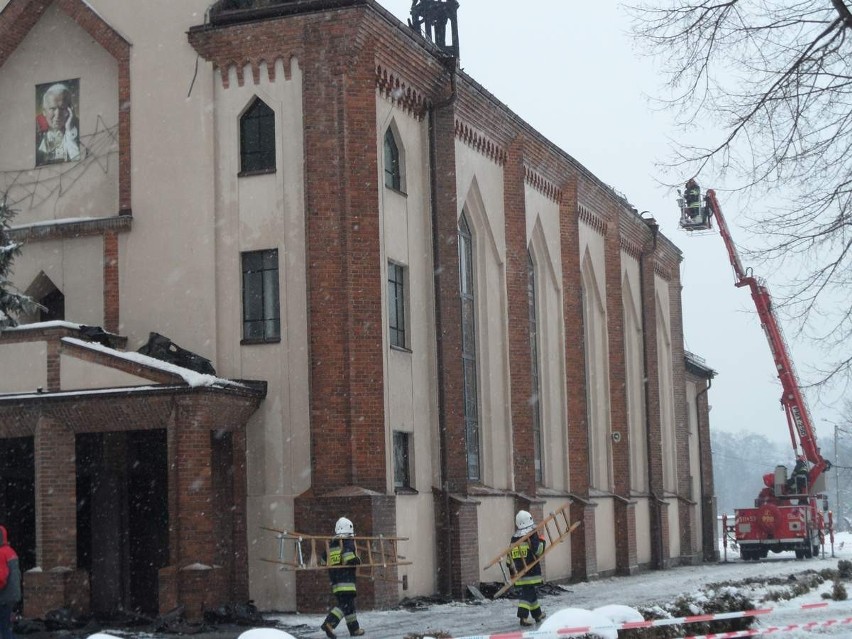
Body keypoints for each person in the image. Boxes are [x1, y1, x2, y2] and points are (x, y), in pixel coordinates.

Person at [320, 517, 364, 638]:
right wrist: (357, 559)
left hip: (336, 582)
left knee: (348, 605)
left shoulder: (331, 544)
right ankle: (329, 623)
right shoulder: (347, 542)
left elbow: (323, 561)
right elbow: (348, 557)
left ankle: (354, 629)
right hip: (347, 580)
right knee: (345, 605)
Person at [506, 510, 546, 626]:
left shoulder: (514, 538)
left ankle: (537, 615)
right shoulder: (531, 534)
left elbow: (509, 557)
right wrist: (542, 541)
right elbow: (538, 551)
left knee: (530, 592)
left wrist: (511, 571)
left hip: (519, 572)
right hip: (531, 572)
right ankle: (523, 617)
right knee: (527, 593)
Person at [36, 83, 81, 166]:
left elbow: (79, 162)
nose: (57, 115)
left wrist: (69, 130)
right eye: (52, 109)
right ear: (44, 112)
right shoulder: (37, 135)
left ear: (69, 109)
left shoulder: (77, 130)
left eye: (62, 108)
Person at [0, 525, 21, 639]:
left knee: (3, 629)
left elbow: (1, 578)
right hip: (12, 596)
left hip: (3, 597)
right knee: (6, 627)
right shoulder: (10, 551)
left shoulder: (1, 553)